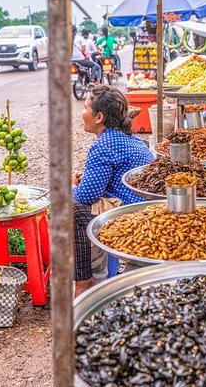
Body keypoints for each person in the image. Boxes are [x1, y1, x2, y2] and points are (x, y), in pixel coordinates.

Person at [71, 86, 153, 296]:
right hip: (142, 206)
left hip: (133, 213)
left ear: (98, 117)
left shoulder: (105, 144)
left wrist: (72, 186)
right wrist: (85, 180)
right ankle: (97, 274)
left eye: (85, 107)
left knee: (70, 208)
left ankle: (85, 282)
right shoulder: (125, 137)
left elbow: (86, 196)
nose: (82, 113)